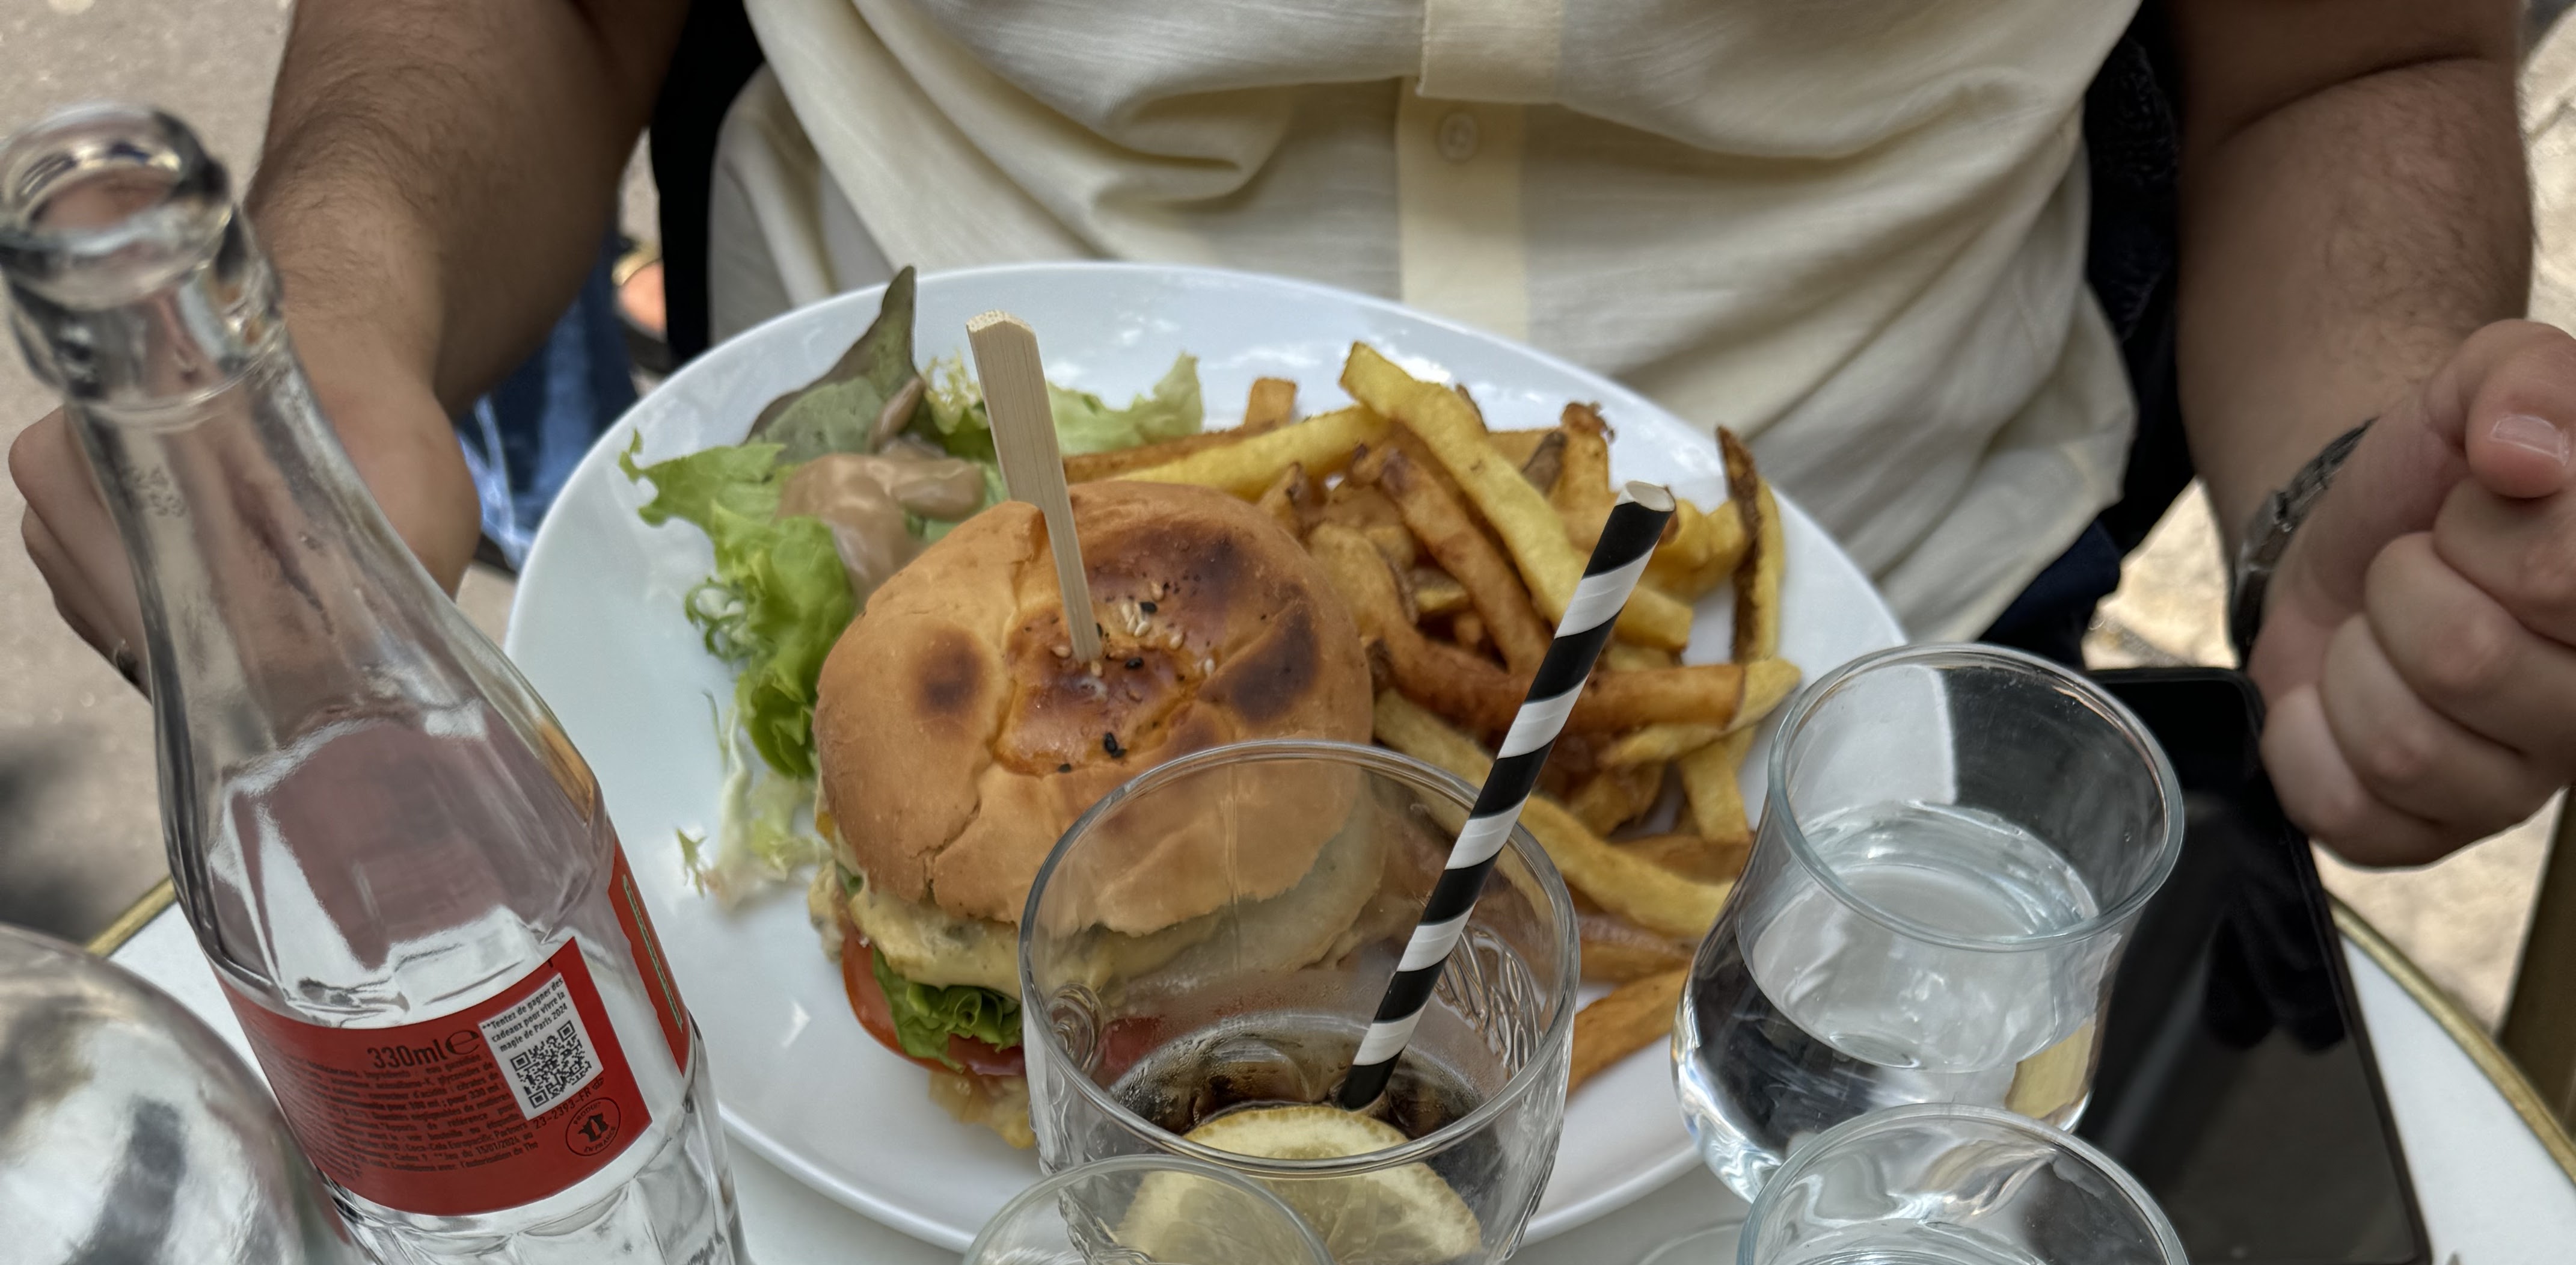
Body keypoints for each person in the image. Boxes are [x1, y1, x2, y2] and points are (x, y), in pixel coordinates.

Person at [14, 0, 2576, 876]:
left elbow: (2351, 56)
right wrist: (326, 311)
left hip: (1842, 664)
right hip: (896, 640)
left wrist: (2348, 500)